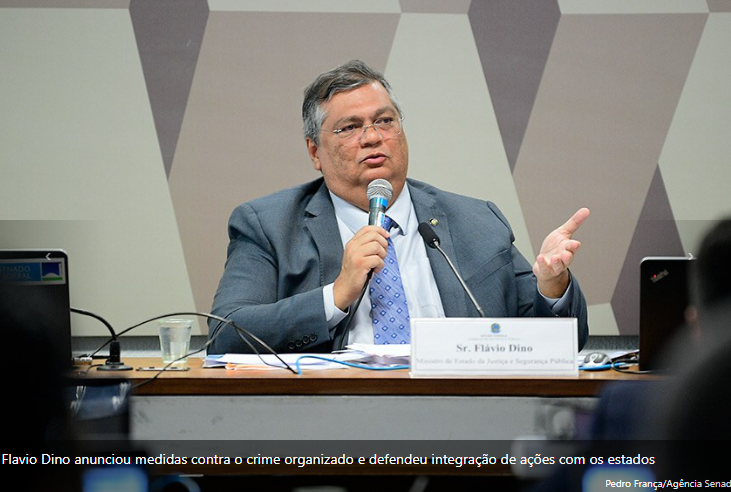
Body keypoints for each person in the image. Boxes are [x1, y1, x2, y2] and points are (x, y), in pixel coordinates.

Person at [207, 60, 589, 354]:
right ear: (315, 152)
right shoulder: (268, 225)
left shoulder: (477, 221)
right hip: (334, 422)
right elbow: (226, 333)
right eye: (349, 128)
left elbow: (558, 342)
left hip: (463, 414)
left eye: (384, 121)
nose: (372, 137)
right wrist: (336, 295)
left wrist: (552, 286)